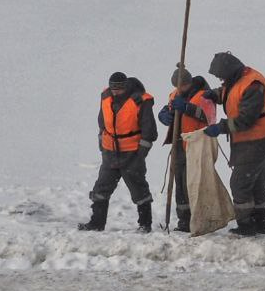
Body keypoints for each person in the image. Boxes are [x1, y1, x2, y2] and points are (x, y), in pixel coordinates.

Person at [203, 51, 265, 236]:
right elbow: (229, 93)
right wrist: (214, 94)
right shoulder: (238, 78)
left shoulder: (252, 85)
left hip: (256, 140)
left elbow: (245, 120)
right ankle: (261, 223)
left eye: (221, 76)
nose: (220, 80)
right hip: (254, 140)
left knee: (240, 184)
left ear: (230, 72)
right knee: (256, 184)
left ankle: (246, 225)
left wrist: (220, 127)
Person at [78, 72, 157, 233]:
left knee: (139, 190)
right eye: (113, 88)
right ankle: (96, 223)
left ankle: (145, 224)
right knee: (101, 189)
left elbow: (149, 131)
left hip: (132, 153)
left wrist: (140, 154)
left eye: (119, 89)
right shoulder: (106, 97)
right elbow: (102, 122)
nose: (115, 92)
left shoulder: (140, 101)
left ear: (126, 86)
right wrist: (102, 143)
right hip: (110, 153)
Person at [157, 66, 217, 232]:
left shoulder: (204, 95)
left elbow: (209, 118)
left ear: (188, 83)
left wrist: (187, 108)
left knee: (193, 183)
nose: (178, 89)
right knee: (180, 184)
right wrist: (163, 114)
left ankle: (199, 219)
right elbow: (168, 107)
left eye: (181, 86)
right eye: (176, 86)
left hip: (196, 145)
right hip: (179, 145)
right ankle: (184, 221)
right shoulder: (176, 94)